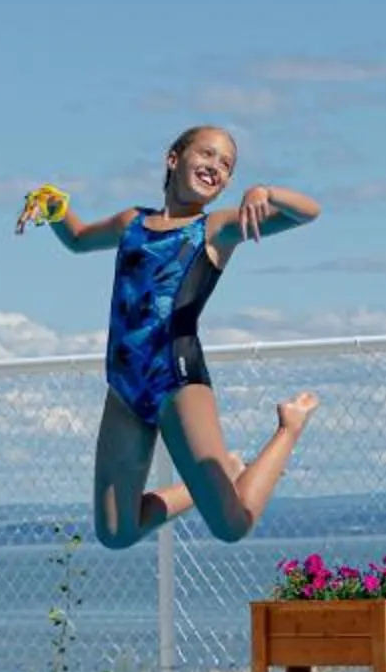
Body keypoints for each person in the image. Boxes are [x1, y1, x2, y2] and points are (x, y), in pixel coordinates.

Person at [19, 125, 320, 547]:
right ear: (173, 158)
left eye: (226, 165)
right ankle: (230, 467)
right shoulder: (131, 222)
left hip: (178, 380)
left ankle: (289, 426)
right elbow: (79, 239)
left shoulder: (217, 228)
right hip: (124, 386)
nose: (215, 167)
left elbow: (308, 212)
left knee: (231, 525)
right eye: (207, 154)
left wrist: (265, 192)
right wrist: (53, 207)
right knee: (116, 531)